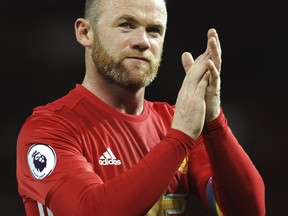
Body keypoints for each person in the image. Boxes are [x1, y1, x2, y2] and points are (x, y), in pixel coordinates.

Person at [16, 0, 265, 215]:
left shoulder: (177, 121)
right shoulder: (48, 129)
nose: (143, 42)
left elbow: (247, 211)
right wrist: (179, 139)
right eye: (126, 25)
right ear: (85, 33)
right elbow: (91, 211)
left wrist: (214, 123)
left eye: (154, 30)